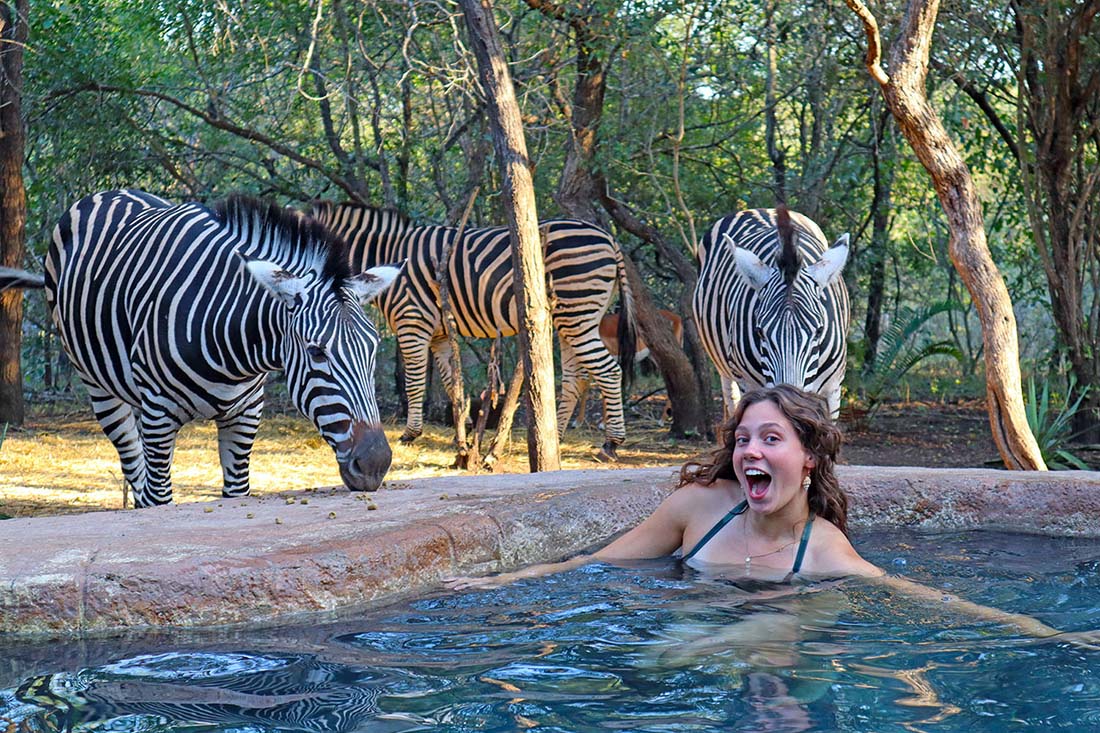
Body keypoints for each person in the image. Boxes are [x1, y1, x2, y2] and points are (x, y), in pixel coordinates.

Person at [444, 384, 1100, 648]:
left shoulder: (824, 550)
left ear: (808, 458)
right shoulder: (698, 509)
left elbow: (923, 598)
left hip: (764, 648)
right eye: (743, 439)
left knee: (784, 624)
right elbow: (593, 565)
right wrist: (493, 585)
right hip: (687, 635)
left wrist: (1049, 631)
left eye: (771, 439)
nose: (750, 451)